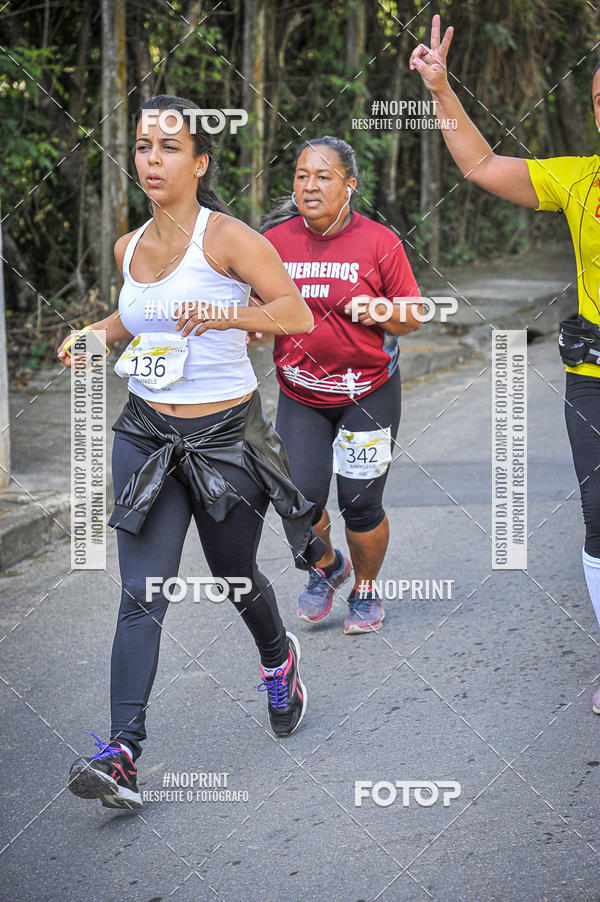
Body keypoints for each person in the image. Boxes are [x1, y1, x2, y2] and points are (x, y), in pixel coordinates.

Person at [57, 94, 327, 809]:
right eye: (144, 145)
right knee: (141, 594)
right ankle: (122, 752)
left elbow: (293, 312)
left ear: (200, 162)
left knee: (234, 574)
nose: (151, 158)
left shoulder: (229, 238)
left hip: (224, 441)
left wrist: (228, 313)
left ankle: (278, 659)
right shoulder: (128, 246)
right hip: (145, 435)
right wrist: (97, 334)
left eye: (168, 147)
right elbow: (138, 313)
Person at [411, 15, 600, 714]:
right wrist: (439, 88)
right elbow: (481, 166)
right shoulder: (580, 180)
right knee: (599, 519)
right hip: (593, 379)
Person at [261, 136, 424, 635]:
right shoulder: (273, 243)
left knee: (360, 502)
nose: (310, 186)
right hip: (301, 394)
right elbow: (252, 308)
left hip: (367, 393)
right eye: (302, 175)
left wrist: (380, 310)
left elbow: (413, 314)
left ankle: (367, 588)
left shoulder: (379, 242)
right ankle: (326, 567)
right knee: (298, 501)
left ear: (349, 186)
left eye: (324, 176)